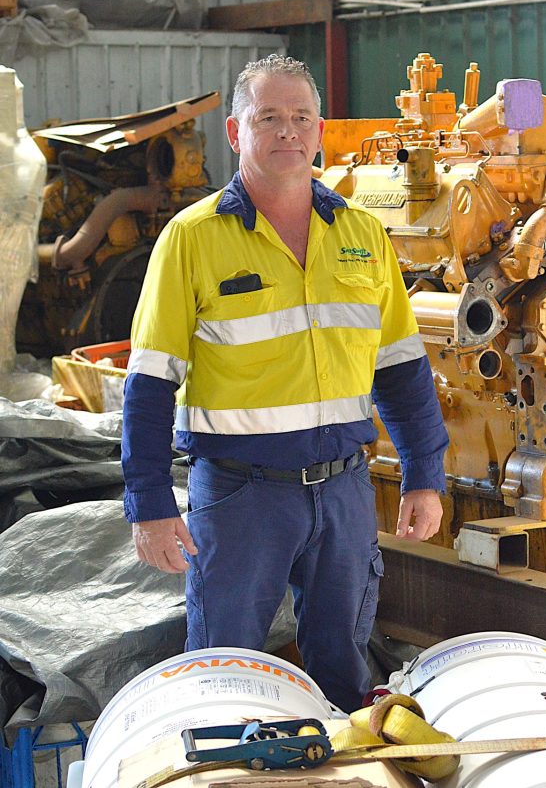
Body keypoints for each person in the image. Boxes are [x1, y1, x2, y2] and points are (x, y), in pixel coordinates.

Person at [120, 54, 448, 714]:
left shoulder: (361, 234)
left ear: (320, 130)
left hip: (344, 490)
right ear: (237, 133)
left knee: (345, 671)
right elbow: (150, 385)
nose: (288, 131)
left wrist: (424, 474)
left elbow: (403, 369)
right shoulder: (193, 239)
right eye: (268, 117)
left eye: (300, 117)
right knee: (226, 672)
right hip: (241, 497)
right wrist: (150, 502)